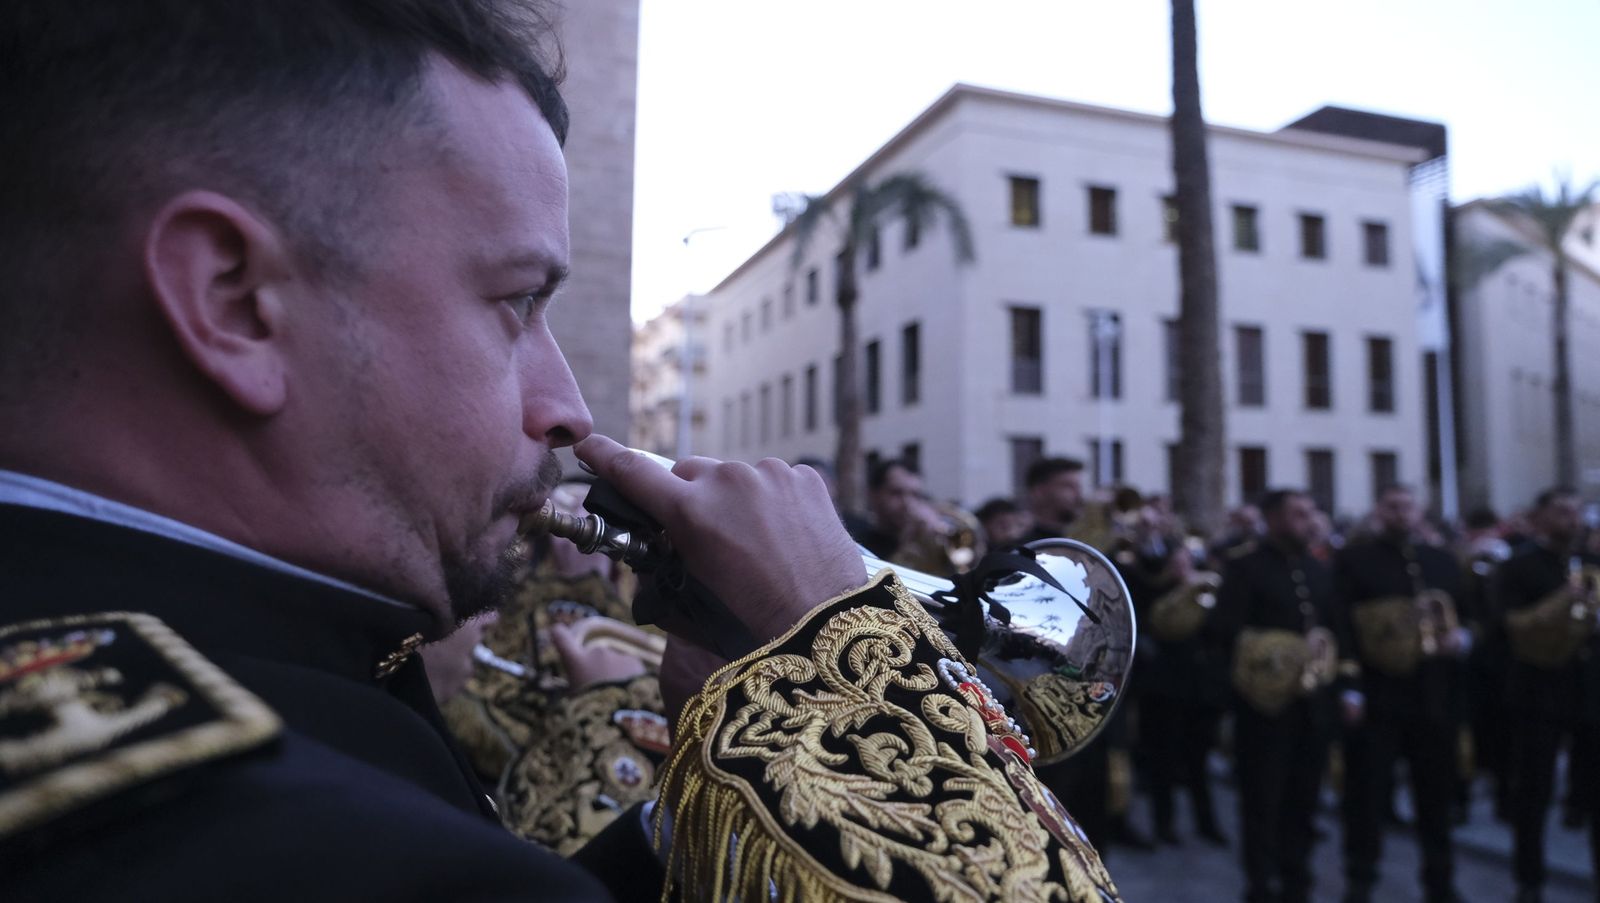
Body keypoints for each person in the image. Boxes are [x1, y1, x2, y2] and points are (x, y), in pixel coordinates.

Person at [0, 4, 1119, 901]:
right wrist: (836, 666)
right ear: (234, 300)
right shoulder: (286, 842)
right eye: (514, 304)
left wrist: (733, 786)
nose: (569, 408)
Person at [1208, 490, 1352, 903]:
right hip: (1263, 709)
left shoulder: (1321, 568)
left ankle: (1297, 881)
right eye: (1298, 514)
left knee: (1304, 799)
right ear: (1273, 519)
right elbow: (1222, 631)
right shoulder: (1245, 567)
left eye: (1311, 513)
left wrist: (1345, 686)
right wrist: (1276, 654)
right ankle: (1260, 884)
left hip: (1313, 706)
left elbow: (1338, 631)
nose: (1309, 521)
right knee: (1262, 801)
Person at [1333, 486, 1467, 903]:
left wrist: (1462, 640)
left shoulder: (1444, 562)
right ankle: (1361, 879)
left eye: (1407, 506)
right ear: (1379, 511)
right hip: (1378, 696)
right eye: (1392, 506)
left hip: (1435, 696)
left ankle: (1440, 882)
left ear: (1419, 510)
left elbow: (1474, 617)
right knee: (1367, 794)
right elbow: (1342, 626)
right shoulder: (1354, 561)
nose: (1400, 513)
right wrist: (1351, 687)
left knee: (1436, 795)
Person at [1495, 488, 1600, 903]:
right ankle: (1529, 881)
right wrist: (1563, 601)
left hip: (1591, 691)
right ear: (1538, 518)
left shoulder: (1592, 564)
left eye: (1575, 512)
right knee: (1533, 792)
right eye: (1561, 511)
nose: (1571, 519)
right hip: (1539, 691)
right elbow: (1510, 628)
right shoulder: (1518, 567)